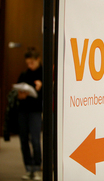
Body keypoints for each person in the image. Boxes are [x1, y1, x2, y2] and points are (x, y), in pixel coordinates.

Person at [16, 48, 43, 180]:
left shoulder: (44, 73)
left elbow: (48, 95)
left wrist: (40, 88)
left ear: (38, 60)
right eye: (28, 63)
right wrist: (21, 95)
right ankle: (28, 168)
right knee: (23, 140)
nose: (29, 66)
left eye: (32, 63)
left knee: (35, 139)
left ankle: (37, 168)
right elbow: (18, 93)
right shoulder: (24, 74)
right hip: (23, 110)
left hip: (36, 111)